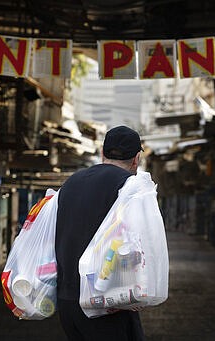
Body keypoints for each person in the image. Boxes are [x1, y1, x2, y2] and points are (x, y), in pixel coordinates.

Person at [55, 125, 144, 341]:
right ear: (137, 159)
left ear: (102, 153)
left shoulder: (70, 183)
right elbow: (133, 247)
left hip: (68, 303)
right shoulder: (128, 187)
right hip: (104, 303)